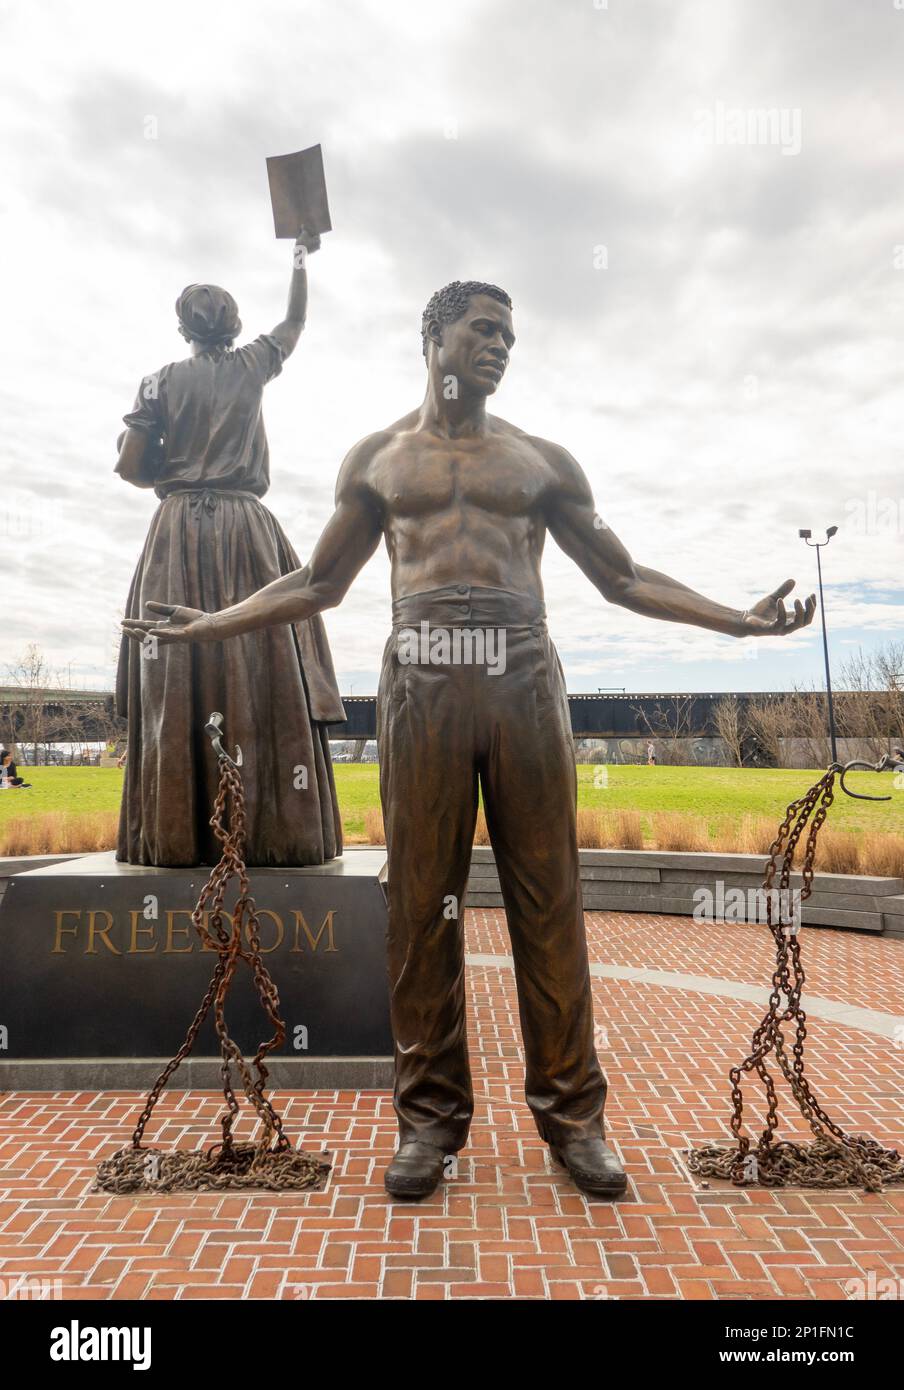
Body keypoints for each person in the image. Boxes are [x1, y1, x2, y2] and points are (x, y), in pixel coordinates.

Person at [124, 279, 815, 1200]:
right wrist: (213, 624)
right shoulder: (377, 460)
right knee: (419, 903)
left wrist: (738, 623)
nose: (500, 346)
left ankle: (575, 1118)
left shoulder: (543, 462)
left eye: (510, 335)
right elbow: (317, 584)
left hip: (522, 675)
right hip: (421, 677)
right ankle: (428, 1122)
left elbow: (622, 576)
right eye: (484, 330)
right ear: (434, 337)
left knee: (549, 898)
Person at [115, 229, 345, 866]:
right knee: (262, 658)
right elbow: (296, 319)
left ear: (183, 328)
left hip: (176, 529)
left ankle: (174, 835)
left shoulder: (158, 382)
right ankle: (276, 832)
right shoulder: (252, 363)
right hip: (247, 529)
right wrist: (301, 253)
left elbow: (132, 467)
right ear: (234, 325)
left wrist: (174, 470)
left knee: (174, 675)